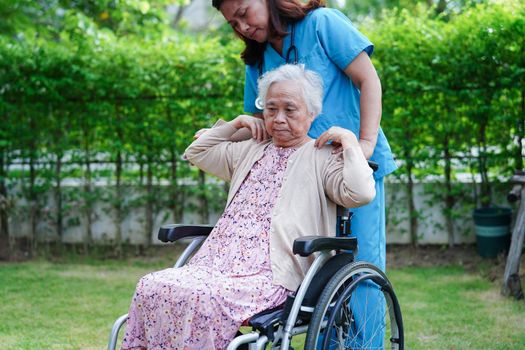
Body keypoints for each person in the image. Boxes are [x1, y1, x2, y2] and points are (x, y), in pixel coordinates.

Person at [121, 64, 375, 349]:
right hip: (215, 264)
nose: (278, 119)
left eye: (289, 110)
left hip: (272, 274)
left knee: (204, 297)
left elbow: (360, 193)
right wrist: (236, 124)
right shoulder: (250, 149)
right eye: (270, 109)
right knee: (151, 286)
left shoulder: (321, 156)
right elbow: (196, 152)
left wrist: (351, 142)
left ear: (312, 112)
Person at [207, 1, 397, 346]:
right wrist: (228, 131)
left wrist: (365, 141)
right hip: (302, 179)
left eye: (245, 12)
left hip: (353, 168)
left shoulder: (322, 24)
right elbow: (260, 124)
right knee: (314, 273)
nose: (243, 27)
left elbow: (368, 79)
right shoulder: (259, 59)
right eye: (233, 22)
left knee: (360, 266)